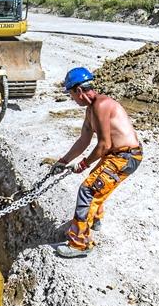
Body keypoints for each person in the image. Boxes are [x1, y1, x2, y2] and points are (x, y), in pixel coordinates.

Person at [51, 67, 143, 258]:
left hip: (125, 157)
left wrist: (83, 164)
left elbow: (104, 144)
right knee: (96, 183)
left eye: (71, 94)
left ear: (79, 91)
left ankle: (80, 244)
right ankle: (95, 220)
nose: (71, 98)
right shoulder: (91, 110)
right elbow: (83, 140)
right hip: (116, 155)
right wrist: (64, 161)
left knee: (88, 190)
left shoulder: (102, 105)